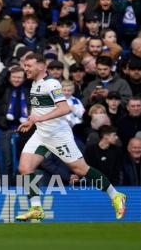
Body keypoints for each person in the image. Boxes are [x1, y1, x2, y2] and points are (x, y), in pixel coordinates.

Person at [15, 53, 126, 221]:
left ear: (41, 66)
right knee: (24, 168)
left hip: (58, 135)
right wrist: (32, 120)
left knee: (80, 169)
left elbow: (65, 109)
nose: (25, 69)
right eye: (25, 65)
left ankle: (116, 195)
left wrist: (39, 119)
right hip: (41, 133)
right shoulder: (35, 83)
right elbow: (41, 110)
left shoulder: (51, 84)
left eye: (29, 65)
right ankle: (36, 208)